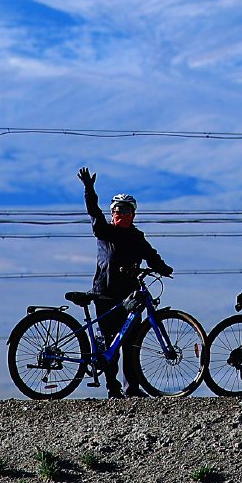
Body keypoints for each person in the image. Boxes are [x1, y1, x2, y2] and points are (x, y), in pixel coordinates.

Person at [76, 166, 175, 398]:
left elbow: (151, 255)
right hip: (106, 294)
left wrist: (163, 268)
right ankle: (113, 390)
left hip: (131, 297)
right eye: (116, 210)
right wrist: (89, 190)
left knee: (133, 343)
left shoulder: (136, 237)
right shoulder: (104, 231)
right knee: (112, 345)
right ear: (112, 213)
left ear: (133, 214)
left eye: (125, 210)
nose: (120, 213)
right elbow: (93, 212)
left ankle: (133, 390)